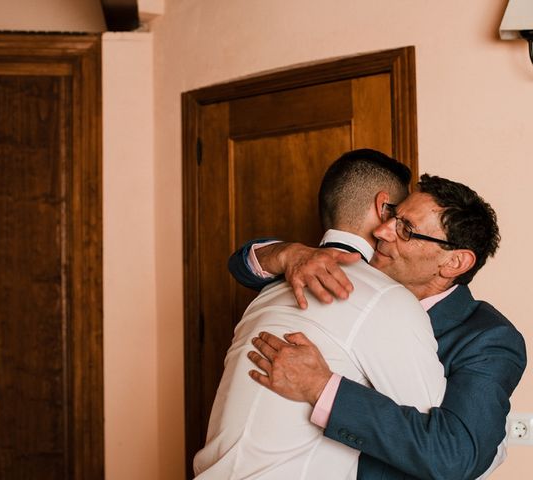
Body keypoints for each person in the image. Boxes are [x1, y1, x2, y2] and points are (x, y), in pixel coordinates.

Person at [231, 173, 527, 479]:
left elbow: (455, 456)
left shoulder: (489, 339)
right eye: (392, 216)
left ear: (454, 263)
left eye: (406, 230)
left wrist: (320, 388)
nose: (382, 231)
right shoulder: (354, 277)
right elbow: (242, 267)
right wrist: (288, 253)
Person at [193, 150, 446, 479]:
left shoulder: (269, 291)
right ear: (383, 209)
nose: (398, 233)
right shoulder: (385, 299)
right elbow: (436, 443)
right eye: (401, 220)